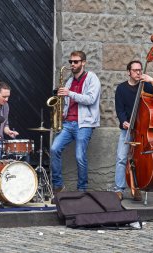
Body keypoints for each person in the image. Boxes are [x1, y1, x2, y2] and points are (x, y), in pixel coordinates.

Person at [50, 51, 101, 193]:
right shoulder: (69, 81)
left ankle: (82, 189)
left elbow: (90, 99)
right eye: (71, 62)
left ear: (83, 62)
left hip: (84, 124)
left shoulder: (92, 78)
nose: (72, 64)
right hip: (68, 124)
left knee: (80, 156)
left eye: (76, 62)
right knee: (54, 149)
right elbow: (67, 102)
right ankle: (58, 186)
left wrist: (69, 93)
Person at [114, 60, 153, 200]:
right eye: (135, 70)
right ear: (128, 72)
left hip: (142, 131)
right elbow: (120, 109)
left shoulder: (146, 86)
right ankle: (118, 189)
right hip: (127, 130)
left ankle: (136, 187)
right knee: (121, 158)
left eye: (140, 70)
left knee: (139, 160)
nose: (138, 73)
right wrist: (124, 121)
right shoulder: (121, 89)